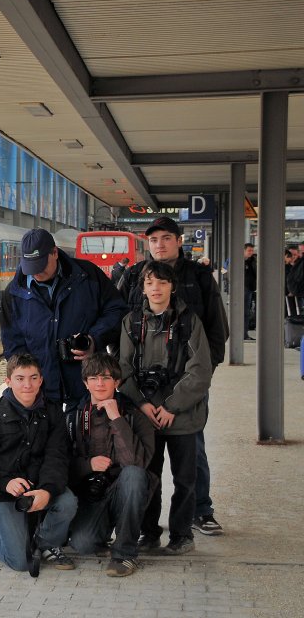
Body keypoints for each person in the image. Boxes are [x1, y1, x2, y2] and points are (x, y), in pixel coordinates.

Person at [116, 216, 227, 537]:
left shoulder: (199, 276)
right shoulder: (135, 275)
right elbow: (118, 322)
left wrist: (202, 374)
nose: (159, 245)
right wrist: (130, 384)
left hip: (188, 383)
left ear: (179, 241)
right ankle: (148, 529)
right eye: (153, 240)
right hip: (144, 392)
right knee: (147, 459)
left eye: (166, 238)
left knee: (192, 454)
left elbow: (218, 329)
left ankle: (200, 512)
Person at [118, 261, 212, 556]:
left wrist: (171, 405)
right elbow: (123, 368)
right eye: (149, 283)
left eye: (161, 282)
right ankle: (149, 532)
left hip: (183, 415)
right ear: (142, 288)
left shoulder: (190, 321)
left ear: (172, 286)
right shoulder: (131, 322)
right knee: (149, 476)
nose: (155, 288)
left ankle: (182, 534)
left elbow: (200, 371)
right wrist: (144, 404)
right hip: (146, 415)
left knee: (185, 479)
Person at [0, 353, 78, 572]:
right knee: (19, 561)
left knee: (68, 502)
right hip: (6, 492)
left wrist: (47, 490)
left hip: (41, 486)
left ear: (41, 380)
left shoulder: (53, 413)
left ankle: (45, 544)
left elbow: (58, 457)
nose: (27, 385)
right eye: (20, 378)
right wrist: (5, 482)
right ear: (8, 381)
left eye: (34, 378)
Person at [1, 228, 126, 408]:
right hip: (41, 395)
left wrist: (94, 339)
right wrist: (28, 381)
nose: (36, 273)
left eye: (41, 265)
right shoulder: (14, 293)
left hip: (87, 388)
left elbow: (117, 310)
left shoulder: (88, 276)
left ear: (55, 253)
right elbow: (12, 344)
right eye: (31, 267)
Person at [67, 353, 155, 577]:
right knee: (83, 544)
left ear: (117, 383)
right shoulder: (73, 418)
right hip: (90, 495)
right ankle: (103, 532)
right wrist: (88, 465)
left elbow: (137, 463)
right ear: (85, 383)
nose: (100, 384)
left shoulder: (135, 417)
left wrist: (116, 417)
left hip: (124, 492)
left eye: (106, 378)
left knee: (134, 475)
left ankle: (125, 554)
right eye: (94, 378)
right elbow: (60, 464)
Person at [244, 243, 257, 339]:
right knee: (243, 312)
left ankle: (245, 333)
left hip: (251, 288)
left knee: (247, 312)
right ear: (244, 250)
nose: (251, 252)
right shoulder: (237, 259)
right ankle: (243, 334)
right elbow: (224, 271)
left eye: (252, 250)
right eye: (249, 250)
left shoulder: (253, 260)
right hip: (243, 288)